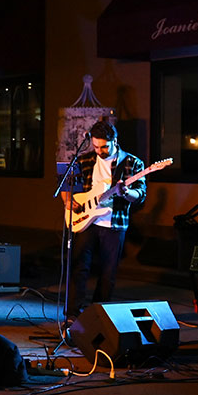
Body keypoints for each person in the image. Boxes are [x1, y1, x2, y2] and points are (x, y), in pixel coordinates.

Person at [62, 120, 145, 326]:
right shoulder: (85, 159)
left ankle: (98, 315)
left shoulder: (133, 163)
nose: (99, 151)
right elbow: (66, 183)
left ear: (115, 141)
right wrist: (67, 200)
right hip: (87, 221)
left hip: (114, 223)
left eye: (104, 147)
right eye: (96, 146)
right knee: (79, 266)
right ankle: (72, 314)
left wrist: (127, 193)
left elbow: (141, 195)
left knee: (108, 273)